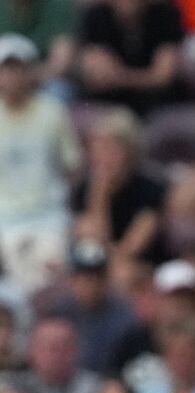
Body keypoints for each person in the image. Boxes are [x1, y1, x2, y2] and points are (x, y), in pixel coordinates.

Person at [0, 33, 81, 295]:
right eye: (5, 70)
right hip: (4, 216)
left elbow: (73, 166)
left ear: (31, 73)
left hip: (48, 215)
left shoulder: (52, 112)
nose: (11, 78)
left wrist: (60, 203)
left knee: (48, 282)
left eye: (18, 70)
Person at [69, 107, 166, 281]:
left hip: (140, 266)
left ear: (130, 151)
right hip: (99, 265)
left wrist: (99, 193)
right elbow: (92, 246)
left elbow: (130, 250)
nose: (102, 156)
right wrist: (99, 195)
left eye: (111, 148)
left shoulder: (150, 189)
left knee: (120, 273)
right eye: (97, 148)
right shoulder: (83, 189)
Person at [50, 240, 142, 375]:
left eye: (98, 277)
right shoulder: (59, 312)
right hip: (67, 385)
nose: (92, 285)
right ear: (73, 280)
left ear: (107, 279)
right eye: (85, 278)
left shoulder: (124, 317)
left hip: (109, 383)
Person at [76, 0, 183, 114]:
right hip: (108, 106)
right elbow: (96, 78)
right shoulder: (96, 18)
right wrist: (144, 76)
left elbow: (162, 78)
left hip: (158, 106)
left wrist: (118, 76)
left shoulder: (165, 15)